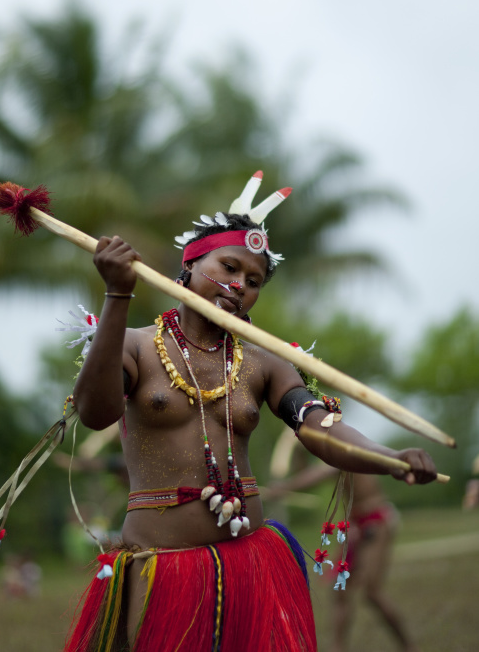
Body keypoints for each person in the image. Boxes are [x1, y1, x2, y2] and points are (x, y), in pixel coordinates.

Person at [65, 173, 437, 652]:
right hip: (162, 568)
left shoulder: (262, 359)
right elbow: (94, 414)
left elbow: (319, 427)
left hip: (252, 564)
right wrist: (117, 296)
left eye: (254, 280)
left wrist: (389, 456)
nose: (240, 284)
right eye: (229, 266)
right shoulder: (136, 345)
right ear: (191, 264)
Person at [268, 465, 420, 652]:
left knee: (372, 592)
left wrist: (284, 487)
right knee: (340, 590)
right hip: (357, 524)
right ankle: (337, 647)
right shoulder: (334, 447)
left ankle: (408, 646)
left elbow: (321, 472)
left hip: (375, 520)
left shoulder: (342, 446)